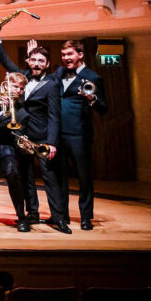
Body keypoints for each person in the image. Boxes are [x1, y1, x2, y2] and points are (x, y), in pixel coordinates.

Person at [0, 38, 63, 232]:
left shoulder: (52, 84)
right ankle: (32, 214)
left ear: (47, 64)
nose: (37, 64)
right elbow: (6, 62)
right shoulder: (22, 77)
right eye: (34, 60)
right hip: (22, 136)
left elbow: (54, 115)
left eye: (41, 61)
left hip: (42, 136)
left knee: (50, 178)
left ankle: (58, 217)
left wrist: (52, 142)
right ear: (28, 61)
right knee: (26, 177)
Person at [53, 39, 106, 230]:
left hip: (79, 134)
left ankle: (85, 217)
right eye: (63, 55)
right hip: (57, 133)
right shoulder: (59, 73)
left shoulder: (93, 77)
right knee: (60, 177)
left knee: (84, 177)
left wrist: (91, 98)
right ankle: (62, 216)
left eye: (70, 54)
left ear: (80, 54)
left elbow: (103, 108)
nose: (66, 58)